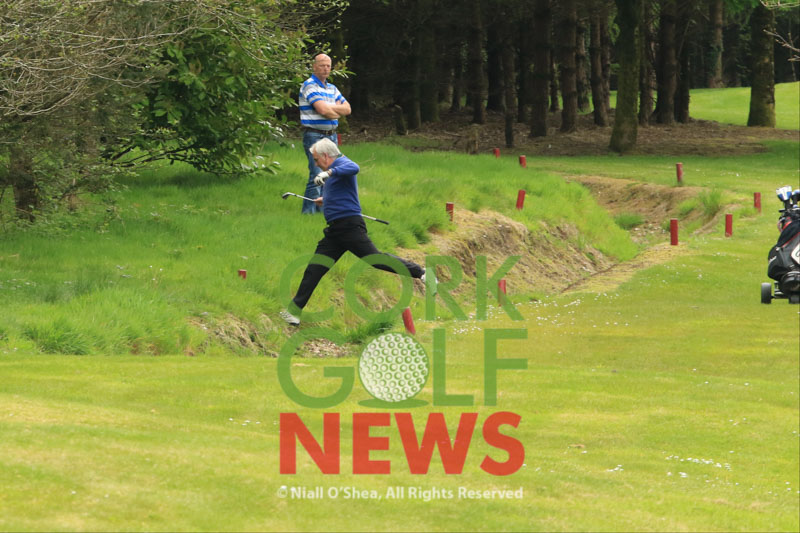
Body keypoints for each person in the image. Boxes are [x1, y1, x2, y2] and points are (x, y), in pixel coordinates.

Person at [280, 138, 431, 326]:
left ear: (326, 156)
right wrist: (325, 199)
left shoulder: (342, 163)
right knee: (315, 268)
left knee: (375, 259)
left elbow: (354, 167)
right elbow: (340, 192)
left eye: (317, 160)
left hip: (349, 227)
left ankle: (421, 272)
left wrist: (329, 172)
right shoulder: (332, 172)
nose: (316, 164)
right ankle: (294, 312)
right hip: (335, 231)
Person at [298, 53, 351, 214]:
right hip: (314, 134)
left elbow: (347, 109)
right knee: (316, 174)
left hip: (331, 135)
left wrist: (330, 109)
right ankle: (308, 212)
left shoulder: (332, 88)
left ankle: (323, 210)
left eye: (328, 66)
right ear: (314, 66)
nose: (326, 69)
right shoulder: (309, 85)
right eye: (322, 65)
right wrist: (335, 111)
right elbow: (322, 110)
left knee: (330, 173)